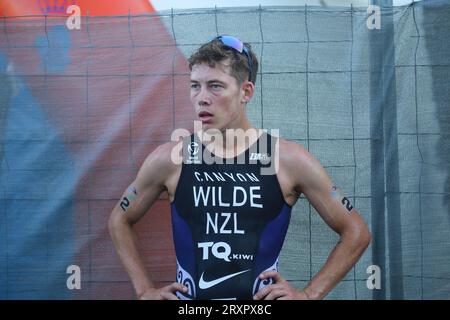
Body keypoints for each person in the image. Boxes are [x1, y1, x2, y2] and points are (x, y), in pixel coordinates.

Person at [108, 35, 371, 300]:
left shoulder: (287, 159)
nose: (201, 98)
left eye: (215, 86)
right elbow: (119, 218)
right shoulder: (171, 158)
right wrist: (144, 291)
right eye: (194, 86)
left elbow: (356, 231)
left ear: (246, 92)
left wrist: (309, 295)